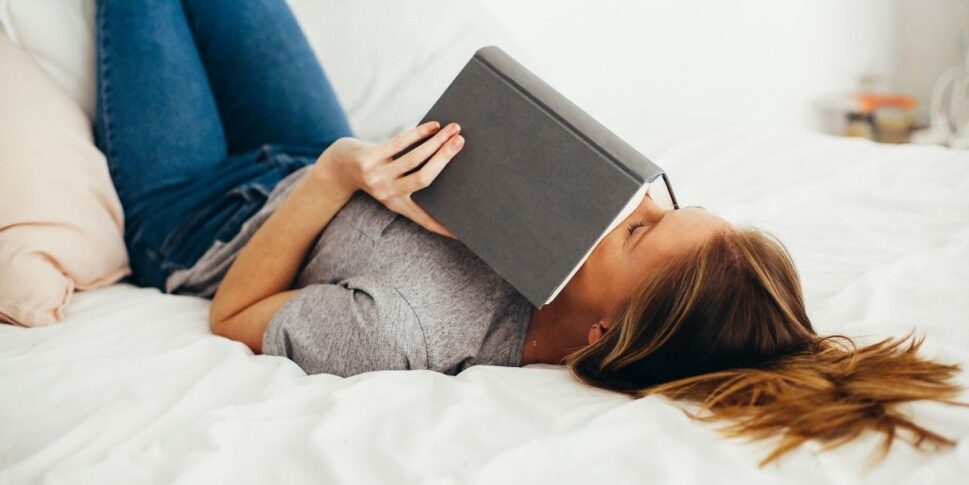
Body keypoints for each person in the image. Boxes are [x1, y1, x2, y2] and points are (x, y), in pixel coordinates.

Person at [96, 0, 962, 464]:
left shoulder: (408, 329)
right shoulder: (553, 233)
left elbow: (233, 312)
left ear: (604, 334)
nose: (627, 204)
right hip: (325, 148)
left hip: (204, 214)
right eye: (659, 202)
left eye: (640, 232)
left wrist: (331, 175)